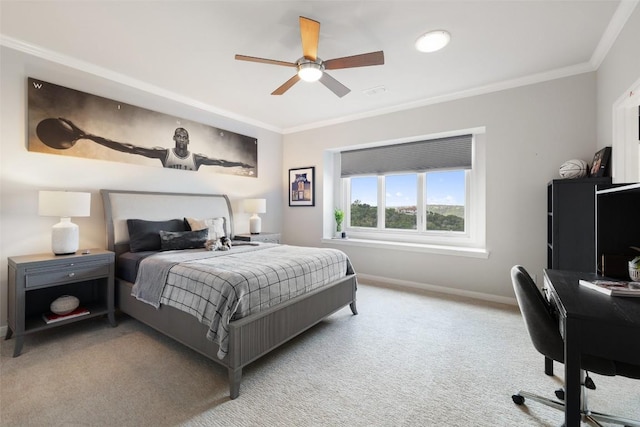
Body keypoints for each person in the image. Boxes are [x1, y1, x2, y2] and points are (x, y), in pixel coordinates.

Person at [59, 118, 252, 171]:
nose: (181, 138)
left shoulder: (197, 159)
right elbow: (129, 148)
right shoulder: (164, 154)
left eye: (184, 136)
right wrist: (89, 136)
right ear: (174, 138)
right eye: (178, 135)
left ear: (188, 140)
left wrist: (241, 164)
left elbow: (221, 162)